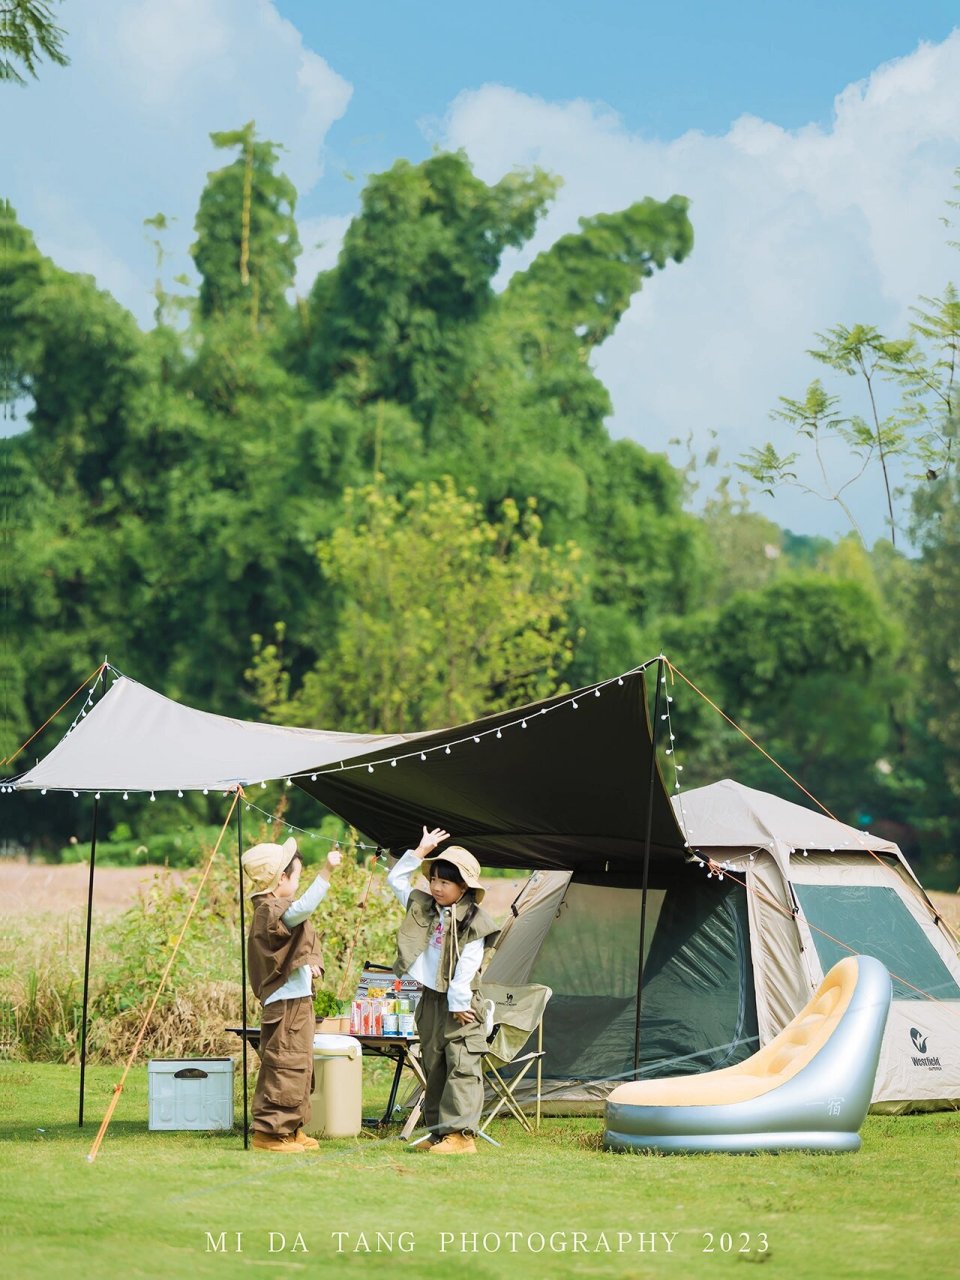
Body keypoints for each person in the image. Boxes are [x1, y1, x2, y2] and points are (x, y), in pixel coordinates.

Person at [388, 825, 499, 1155]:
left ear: (463, 887)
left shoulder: (476, 920)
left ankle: (462, 1136)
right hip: (431, 998)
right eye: (433, 879)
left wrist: (459, 1002)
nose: (436, 887)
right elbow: (395, 881)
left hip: (461, 1003)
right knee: (434, 1064)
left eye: (444, 881)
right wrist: (420, 851)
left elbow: (467, 967)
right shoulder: (423, 906)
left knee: (461, 1064)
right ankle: (439, 1134)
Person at [241, 835, 342, 1153]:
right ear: (280, 878)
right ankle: (269, 1134)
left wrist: (306, 966)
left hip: (296, 1002)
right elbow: (302, 910)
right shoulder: (269, 910)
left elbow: (287, 951)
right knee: (285, 1065)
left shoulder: (273, 911)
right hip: (285, 1006)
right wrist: (325, 872)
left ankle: (292, 1128)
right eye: (297, 876)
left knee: (299, 1066)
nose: (297, 884)